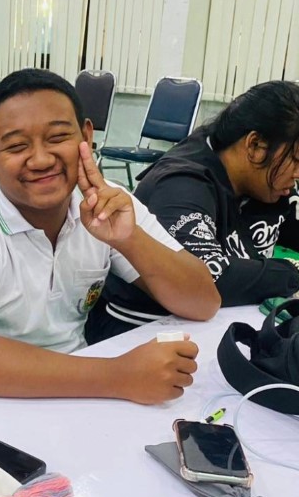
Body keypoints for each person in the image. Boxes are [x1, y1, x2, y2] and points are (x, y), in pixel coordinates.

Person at [0, 69, 219, 406]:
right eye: (17, 146)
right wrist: (118, 376)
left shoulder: (106, 202)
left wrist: (130, 240)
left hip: (65, 391)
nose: (40, 159)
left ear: (86, 136)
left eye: (57, 137)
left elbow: (203, 302)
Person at [87, 80, 299, 342]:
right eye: (296, 160)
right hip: (144, 332)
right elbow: (211, 280)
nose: (297, 174)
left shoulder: (268, 182)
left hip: (219, 323)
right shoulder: (181, 185)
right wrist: (291, 272)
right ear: (255, 146)